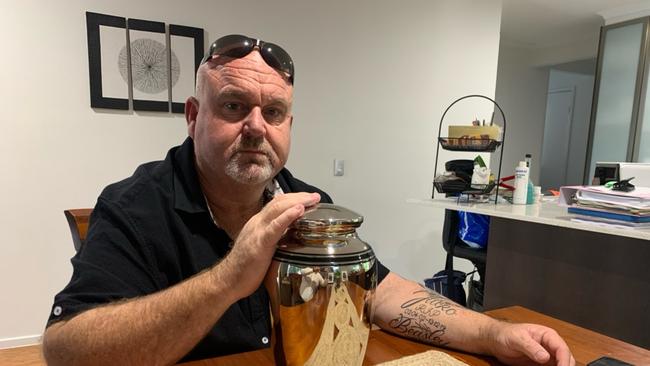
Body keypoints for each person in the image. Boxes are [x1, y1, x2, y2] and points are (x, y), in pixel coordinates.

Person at [43, 34, 575, 366]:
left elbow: (384, 292)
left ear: (289, 126)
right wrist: (231, 277)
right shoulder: (132, 207)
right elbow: (65, 351)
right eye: (233, 105)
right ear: (193, 116)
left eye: (273, 112)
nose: (256, 126)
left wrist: (495, 333)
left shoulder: (305, 202)